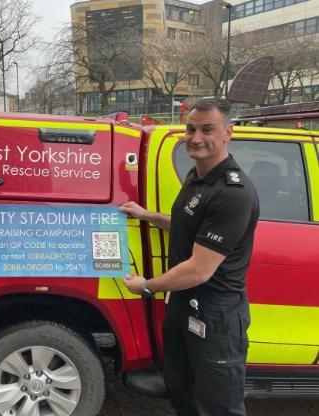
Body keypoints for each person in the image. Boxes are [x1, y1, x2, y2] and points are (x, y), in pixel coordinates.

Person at [120, 98, 259, 416]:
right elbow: (188, 225)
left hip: (215, 312)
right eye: (191, 129)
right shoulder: (196, 179)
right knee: (182, 392)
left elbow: (199, 269)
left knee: (218, 405)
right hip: (184, 304)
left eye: (207, 129)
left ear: (228, 132)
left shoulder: (232, 193)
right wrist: (147, 215)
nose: (196, 137)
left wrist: (147, 286)